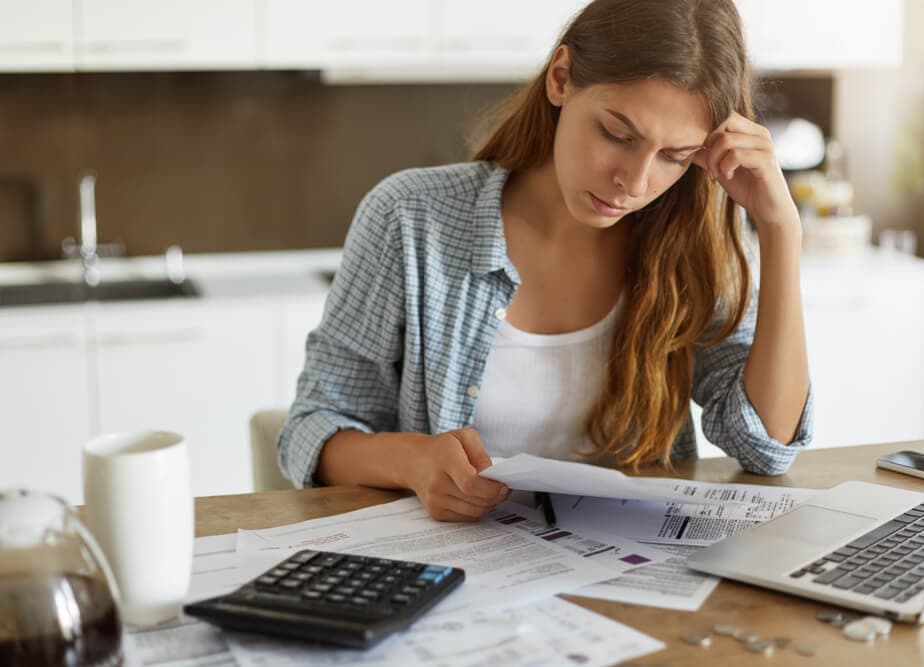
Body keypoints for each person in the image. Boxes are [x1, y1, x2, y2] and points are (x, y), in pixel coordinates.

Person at [278, 0, 813, 521]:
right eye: (617, 134)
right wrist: (416, 462)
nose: (635, 181)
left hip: (628, 577)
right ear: (561, 78)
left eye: (674, 156)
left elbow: (766, 446)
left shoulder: (694, 239)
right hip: (452, 571)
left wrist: (780, 228)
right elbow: (312, 428)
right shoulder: (411, 218)